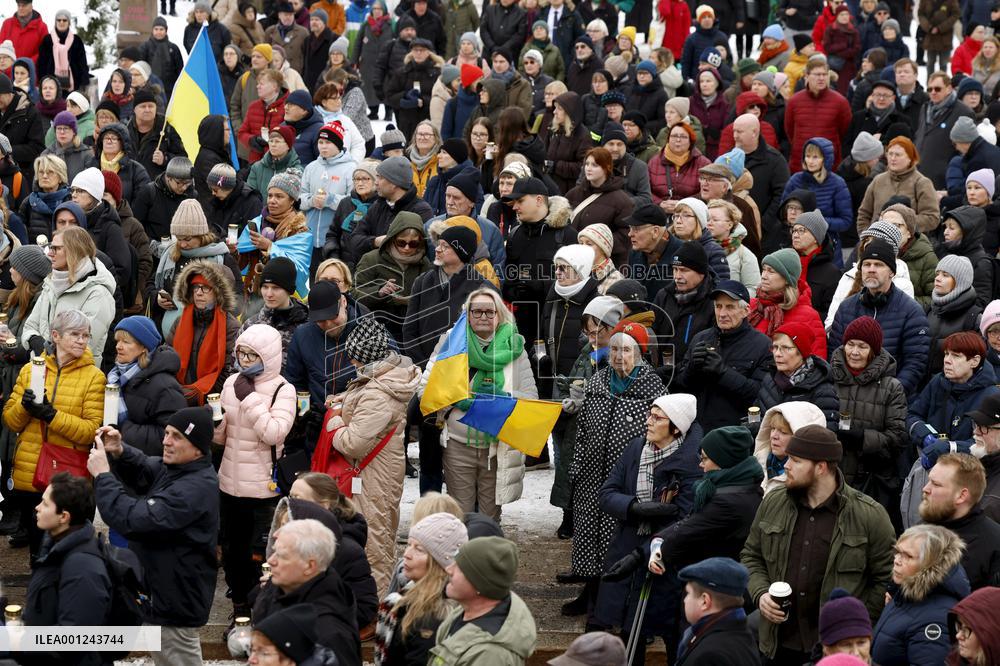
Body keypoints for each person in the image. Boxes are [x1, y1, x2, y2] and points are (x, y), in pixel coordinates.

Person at [741, 425, 896, 664]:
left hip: (833, 650)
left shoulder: (869, 515)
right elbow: (751, 555)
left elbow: (885, 578)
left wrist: (856, 623)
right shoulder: (773, 502)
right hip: (777, 645)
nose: (786, 466)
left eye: (795, 460)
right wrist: (761, 594)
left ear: (821, 467)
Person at [563, 322, 663, 618]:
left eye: (627, 349)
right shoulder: (596, 382)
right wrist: (577, 466)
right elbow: (581, 431)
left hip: (627, 481)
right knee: (587, 536)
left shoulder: (652, 387)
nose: (620, 355)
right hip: (591, 475)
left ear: (640, 354)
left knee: (615, 539)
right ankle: (589, 590)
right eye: (615, 348)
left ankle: (610, 600)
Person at [594, 393, 703, 663]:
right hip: (627, 546)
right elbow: (607, 492)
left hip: (665, 559)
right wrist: (633, 507)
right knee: (628, 628)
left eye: (657, 417)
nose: (648, 422)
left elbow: (684, 519)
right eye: (649, 415)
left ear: (676, 427)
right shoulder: (636, 448)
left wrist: (651, 546)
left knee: (668, 629)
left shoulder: (691, 464)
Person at [420, 288, 535, 518]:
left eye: (489, 312)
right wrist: (457, 397)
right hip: (457, 445)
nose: (483, 316)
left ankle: (486, 554)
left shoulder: (515, 348)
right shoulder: (451, 342)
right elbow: (424, 390)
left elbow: (531, 398)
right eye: (477, 311)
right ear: (467, 314)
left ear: (499, 315)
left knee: (490, 518)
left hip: (497, 448)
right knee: (460, 515)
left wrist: (503, 399)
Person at [325, 317, 420, 595]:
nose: (351, 364)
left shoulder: (379, 393)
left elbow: (354, 443)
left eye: (354, 358)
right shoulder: (381, 378)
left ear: (366, 357)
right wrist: (343, 400)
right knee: (377, 536)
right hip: (377, 474)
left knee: (374, 543)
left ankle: (374, 611)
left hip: (373, 478)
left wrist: (335, 423)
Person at [3, 309, 104, 560]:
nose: (82, 340)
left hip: (68, 478)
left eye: (86, 336)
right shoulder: (30, 370)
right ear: (55, 336)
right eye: (75, 334)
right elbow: (11, 421)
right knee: (38, 554)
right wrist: (25, 408)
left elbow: (90, 430)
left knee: (69, 554)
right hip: (30, 473)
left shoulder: (94, 377)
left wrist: (51, 415)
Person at [23, 473, 112, 666]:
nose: (37, 507)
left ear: (64, 517)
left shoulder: (82, 568)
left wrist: (18, 642)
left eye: (45, 504)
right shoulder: (55, 546)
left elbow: (74, 638)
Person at [830, 316, 908, 528]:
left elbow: (898, 436)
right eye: (850, 345)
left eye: (862, 347)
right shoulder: (829, 378)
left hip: (869, 479)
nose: (854, 352)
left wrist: (863, 439)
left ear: (873, 350)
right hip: (830, 474)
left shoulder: (892, 387)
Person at [828, 239, 931, 396]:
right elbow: (834, 354)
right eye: (867, 264)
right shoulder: (846, 307)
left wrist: (888, 395)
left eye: (879, 264)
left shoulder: (911, 312)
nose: (871, 269)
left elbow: (915, 364)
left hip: (889, 400)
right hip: (847, 396)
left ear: (892, 272)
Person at [254, 519, 362, 666]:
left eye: (282, 555)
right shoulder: (281, 592)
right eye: (274, 552)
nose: (271, 560)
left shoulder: (328, 632)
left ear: (310, 566)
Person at [677, 279, 772, 429]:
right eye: (718, 306)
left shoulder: (763, 345)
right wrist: (691, 369)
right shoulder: (700, 338)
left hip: (733, 433)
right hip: (695, 429)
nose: (722, 314)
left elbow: (760, 394)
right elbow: (680, 388)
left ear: (746, 310)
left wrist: (723, 373)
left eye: (730, 307)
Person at [870, 524, 970, 666]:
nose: (897, 560)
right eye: (897, 552)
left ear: (930, 564)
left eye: (908, 556)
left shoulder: (937, 617)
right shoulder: (904, 595)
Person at [374, 512, 467, 664]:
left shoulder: (432, 618)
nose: (407, 554)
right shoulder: (409, 599)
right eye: (409, 545)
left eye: (419, 549)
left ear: (440, 562)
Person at [428, 536, 537, 664]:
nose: (449, 570)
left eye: (459, 567)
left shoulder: (490, 654)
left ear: (480, 583)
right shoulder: (463, 612)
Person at [20, 227, 116, 367]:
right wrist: (35, 340)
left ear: (74, 251)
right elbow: (29, 326)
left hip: (77, 378)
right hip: (40, 370)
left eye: (56, 249)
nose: (50, 254)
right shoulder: (51, 283)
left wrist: (46, 348)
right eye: (50, 248)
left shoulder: (98, 293)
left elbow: (82, 344)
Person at [501, 177, 578, 343]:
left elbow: (579, 282)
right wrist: (510, 289)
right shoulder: (515, 235)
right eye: (514, 202)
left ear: (538, 200)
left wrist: (541, 286)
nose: (515, 207)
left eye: (520, 201)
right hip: (522, 325)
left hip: (557, 324)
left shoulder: (566, 235)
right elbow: (509, 274)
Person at [150, 198, 242, 333]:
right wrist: (156, 298)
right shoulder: (170, 255)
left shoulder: (221, 258)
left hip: (206, 335)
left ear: (202, 235)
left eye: (187, 239)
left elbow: (237, 298)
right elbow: (151, 284)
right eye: (178, 238)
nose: (182, 244)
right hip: (168, 338)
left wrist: (213, 310)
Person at [917, 453, 1000, 589]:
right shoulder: (919, 530)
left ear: (961, 495)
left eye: (936, 484)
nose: (925, 489)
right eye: (929, 481)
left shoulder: (994, 545)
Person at [109, 316, 186, 456]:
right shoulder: (115, 378)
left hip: (144, 470)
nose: (118, 346)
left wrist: (121, 429)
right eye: (118, 340)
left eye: (126, 342)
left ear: (144, 347)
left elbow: (170, 436)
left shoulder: (165, 387)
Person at [166, 260, 240, 405]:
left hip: (211, 402)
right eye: (196, 287)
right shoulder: (180, 321)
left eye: (206, 287)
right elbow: (166, 359)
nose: (199, 292)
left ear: (219, 293)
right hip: (175, 393)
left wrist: (194, 395)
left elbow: (228, 373)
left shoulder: (231, 327)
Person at [346, 156, 435, 266]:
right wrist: (375, 241)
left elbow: (421, 250)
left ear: (394, 183)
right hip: (372, 273)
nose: (376, 182)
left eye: (380, 178)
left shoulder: (421, 210)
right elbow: (354, 240)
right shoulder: (378, 205)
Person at [755, 322, 840, 429]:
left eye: (786, 348)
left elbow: (825, 436)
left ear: (802, 352)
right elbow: (757, 418)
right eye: (775, 347)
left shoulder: (823, 390)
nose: (777, 353)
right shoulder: (769, 379)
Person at [747, 248, 827, 356]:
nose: (763, 276)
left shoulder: (808, 316)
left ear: (787, 279)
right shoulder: (752, 306)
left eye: (771, 271)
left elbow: (816, 360)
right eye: (764, 270)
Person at [753, 401, 828, 495]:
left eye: (783, 432)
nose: (774, 436)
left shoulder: (807, 485)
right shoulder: (757, 464)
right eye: (772, 428)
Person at [915, 72, 975, 190]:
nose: (933, 92)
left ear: (948, 89)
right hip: (919, 174)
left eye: (937, 89)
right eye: (929, 89)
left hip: (944, 179)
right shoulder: (925, 108)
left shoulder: (963, 112)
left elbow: (966, 149)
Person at [927, 256, 982, 376]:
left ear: (960, 282)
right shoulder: (929, 310)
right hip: (924, 389)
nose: (937, 278)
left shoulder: (974, 318)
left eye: (945, 275)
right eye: (937, 274)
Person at [93, 123, 151, 205]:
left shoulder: (137, 170)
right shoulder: (91, 166)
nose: (109, 141)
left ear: (123, 143)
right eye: (106, 138)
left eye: (113, 138)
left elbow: (142, 202)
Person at [946, 585, 1000, 664]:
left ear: (989, 636)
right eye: (959, 626)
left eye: (966, 630)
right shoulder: (955, 661)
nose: (958, 636)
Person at [41, 111, 96, 185]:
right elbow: (39, 182)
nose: (62, 132)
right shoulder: (46, 154)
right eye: (59, 128)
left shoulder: (86, 154)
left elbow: (91, 183)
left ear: (73, 131)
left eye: (66, 128)